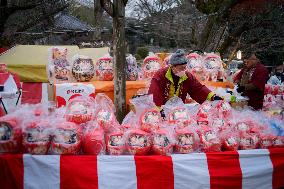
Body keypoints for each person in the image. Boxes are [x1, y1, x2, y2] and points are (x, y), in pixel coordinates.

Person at [148, 49, 222, 108]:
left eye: (185, 67)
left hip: (179, 110)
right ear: (173, 67)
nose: (184, 70)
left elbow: (198, 89)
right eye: (181, 68)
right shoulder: (160, 75)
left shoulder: (187, 76)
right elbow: (154, 93)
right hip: (162, 108)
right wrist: (158, 108)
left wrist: (212, 96)